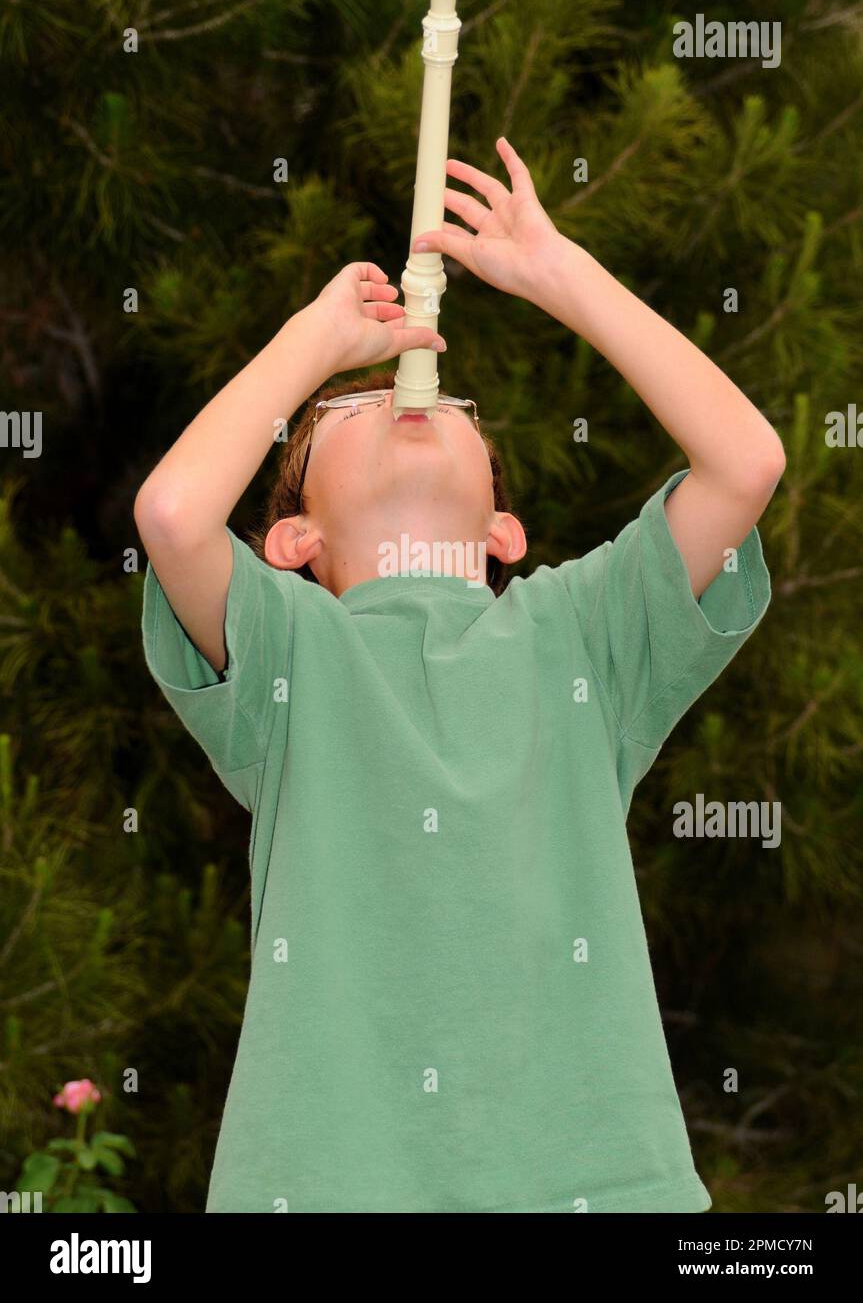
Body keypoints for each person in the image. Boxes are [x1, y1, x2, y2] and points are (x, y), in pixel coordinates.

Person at [135, 137, 784, 1213]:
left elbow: (746, 462)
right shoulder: (289, 650)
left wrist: (557, 274)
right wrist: (311, 339)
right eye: (343, 408)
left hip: (592, 1188)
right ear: (292, 539)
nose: (404, 391)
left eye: (449, 403)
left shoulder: (582, 630)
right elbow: (170, 513)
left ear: (504, 527)